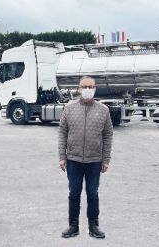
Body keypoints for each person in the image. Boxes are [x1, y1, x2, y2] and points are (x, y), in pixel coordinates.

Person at [58, 76, 114, 239]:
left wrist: (106, 159)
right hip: (73, 160)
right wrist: (62, 156)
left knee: (92, 194)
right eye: (84, 87)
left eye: (91, 87)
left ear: (95, 89)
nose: (87, 89)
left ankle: (94, 226)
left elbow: (108, 134)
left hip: (94, 161)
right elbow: (62, 132)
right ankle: (73, 226)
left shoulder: (103, 110)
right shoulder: (69, 108)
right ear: (79, 89)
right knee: (74, 193)